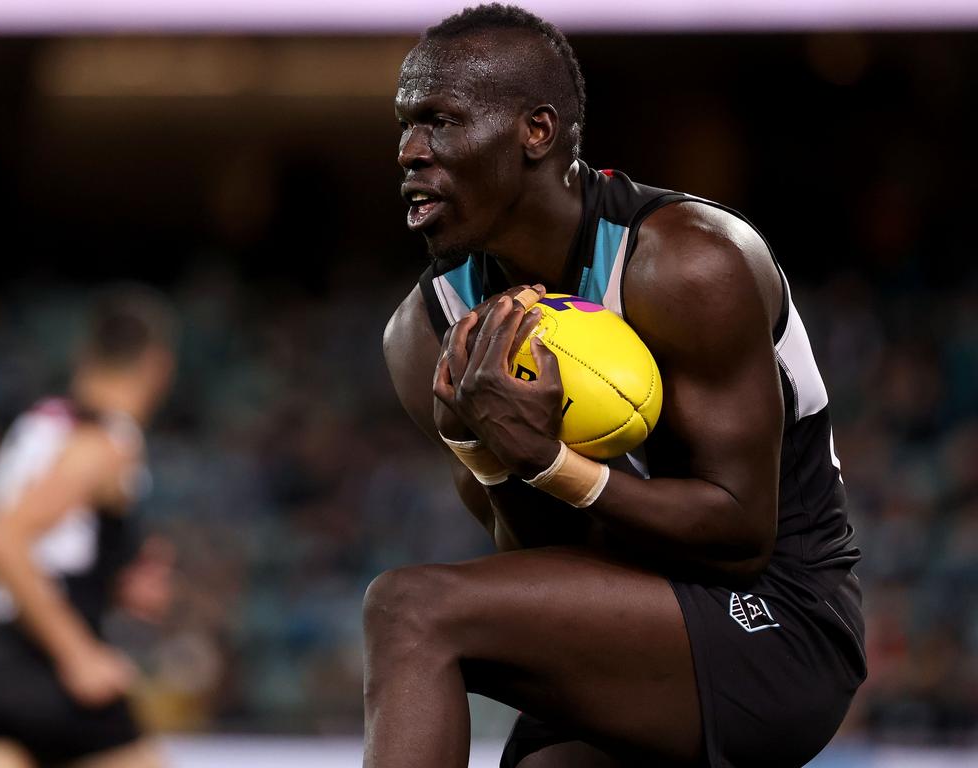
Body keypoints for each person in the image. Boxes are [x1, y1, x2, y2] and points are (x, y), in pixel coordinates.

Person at [366, 4, 866, 767]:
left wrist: (549, 462)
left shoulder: (689, 265)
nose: (409, 151)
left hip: (781, 623)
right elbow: (542, 550)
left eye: (438, 121)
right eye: (405, 125)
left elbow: (740, 536)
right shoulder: (427, 336)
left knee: (410, 609)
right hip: (635, 613)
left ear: (537, 131)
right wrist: (492, 455)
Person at [0, 286, 177, 768]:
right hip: (48, 666)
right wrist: (77, 654)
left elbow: (52, 546)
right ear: (158, 365)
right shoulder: (101, 443)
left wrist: (119, 583)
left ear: (86, 355)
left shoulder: (39, 423)